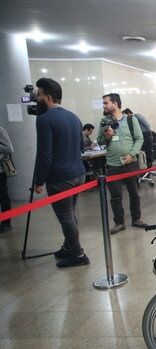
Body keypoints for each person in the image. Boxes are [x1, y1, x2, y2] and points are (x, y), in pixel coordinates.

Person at [33, 78, 89, 267]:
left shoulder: (44, 120)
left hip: (60, 177)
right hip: (78, 174)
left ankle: (78, 254)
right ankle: (68, 246)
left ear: (48, 98)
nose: (37, 98)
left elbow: (44, 154)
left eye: (39, 94)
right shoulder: (73, 117)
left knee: (65, 216)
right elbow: (82, 146)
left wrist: (38, 181)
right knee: (70, 213)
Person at [97, 93, 147, 234]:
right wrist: (107, 137)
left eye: (106, 103)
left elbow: (139, 139)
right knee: (115, 196)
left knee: (134, 193)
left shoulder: (131, 120)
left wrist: (132, 154)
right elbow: (100, 141)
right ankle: (119, 222)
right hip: (113, 164)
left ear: (115, 103)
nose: (104, 106)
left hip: (130, 164)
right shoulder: (104, 121)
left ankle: (136, 218)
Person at [0, 126, 14, 234]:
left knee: (3, 195)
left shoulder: (0, 130)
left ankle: (6, 223)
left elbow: (9, 148)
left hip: (0, 171)